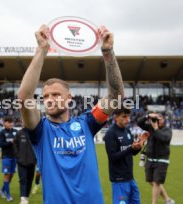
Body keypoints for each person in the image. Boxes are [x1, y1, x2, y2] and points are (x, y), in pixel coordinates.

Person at [18, 25, 124, 203]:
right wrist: (42, 50)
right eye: (45, 97)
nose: (49, 100)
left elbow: (116, 96)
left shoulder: (87, 123)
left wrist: (108, 52)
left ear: (69, 98)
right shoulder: (40, 130)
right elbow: (24, 97)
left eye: (55, 95)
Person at [104, 106, 144, 204]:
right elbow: (113, 157)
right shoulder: (111, 133)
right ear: (115, 117)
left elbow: (132, 152)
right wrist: (131, 148)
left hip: (130, 178)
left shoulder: (127, 131)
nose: (127, 119)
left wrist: (139, 145)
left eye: (128, 116)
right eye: (124, 117)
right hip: (119, 180)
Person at [137, 113, 175, 204]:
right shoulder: (150, 127)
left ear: (164, 120)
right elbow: (139, 123)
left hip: (162, 160)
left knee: (156, 182)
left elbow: (164, 138)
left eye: (161, 119)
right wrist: (147, 116)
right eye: (157, 119)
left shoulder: (167, 130)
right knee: (151, 181)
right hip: (150, 159)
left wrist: (156, 128)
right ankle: (167, 200)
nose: (159, 121)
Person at [14, 127, 37, 204]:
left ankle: (26, 197)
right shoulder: (19, 133)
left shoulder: (35, 132)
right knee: (23, 180)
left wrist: (35, 158)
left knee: (30, 180)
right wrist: (18, 156)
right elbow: (14, 145)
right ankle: (23, 199)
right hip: (21, 162)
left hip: (32, 162)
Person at [0, 116, 18, 202]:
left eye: (11, 122)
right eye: (8, 122)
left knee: (11, 175)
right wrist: (10, 142)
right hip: (6, 157)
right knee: (7, 175)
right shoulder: (2, 133)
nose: (10, 124)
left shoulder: (16, 132)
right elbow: (1, 144)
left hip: (14, 157)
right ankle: (8, 195)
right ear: (4, 123)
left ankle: (2, 190)